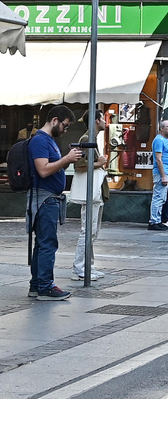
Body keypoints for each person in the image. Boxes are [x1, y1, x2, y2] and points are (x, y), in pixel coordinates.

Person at [26, 105, 82, 300]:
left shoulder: (48, 141)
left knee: (42, 244)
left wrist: (67, 160)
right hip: (45, 199)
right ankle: (45, 286)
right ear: (55, 120)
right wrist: (66, 158)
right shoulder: (40, 141)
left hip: (48, 198)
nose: (65, 130)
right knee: (47, 244)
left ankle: (37, 285)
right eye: (65, 126)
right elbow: (43, 170)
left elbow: (51, 167)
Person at [69, 110, 109, 280]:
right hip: (91, 191)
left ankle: (88, 266)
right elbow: (80, 166)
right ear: (96, 120)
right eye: (103, 118)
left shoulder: (91, 138)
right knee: (88, 230)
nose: (105, 122)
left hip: (95, 191)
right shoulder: (86, 139)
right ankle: (80, 267)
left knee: (92, 231)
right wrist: (99, 163)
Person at [149, 119, 168, 231]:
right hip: (161, 174)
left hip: (166, 173)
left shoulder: (164, 140)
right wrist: (163, 175)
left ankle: (157, 220)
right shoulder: (159, 140)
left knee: (161, 198)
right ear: (161, 128)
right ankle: (154, 221)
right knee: (158, 198)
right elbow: (158, 159)